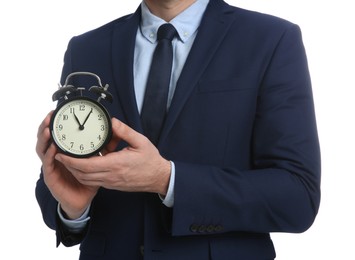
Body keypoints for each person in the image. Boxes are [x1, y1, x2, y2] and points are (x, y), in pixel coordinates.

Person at [35, 0, 321, 259]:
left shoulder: (271, 39)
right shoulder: (86, 48)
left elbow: (297, 197)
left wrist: (168, 180)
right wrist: (74, 211)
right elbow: (56, 182)